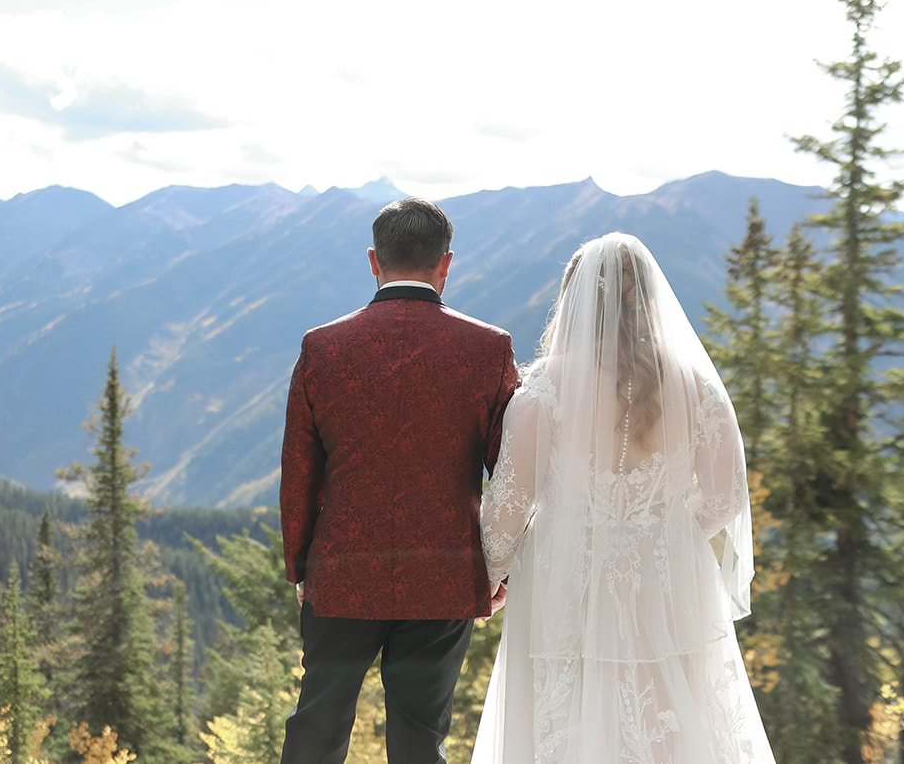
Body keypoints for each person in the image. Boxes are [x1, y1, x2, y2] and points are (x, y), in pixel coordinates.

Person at [474, 233, 775, 764]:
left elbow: (507, 512)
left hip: (563, 582)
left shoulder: (543, 389)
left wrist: (489, 577)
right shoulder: (696, 388)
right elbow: (727, 497)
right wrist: (662, 534)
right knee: (674, 718)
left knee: (567, 719)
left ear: (575, 303)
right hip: (669, 580)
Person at [280, 197, 521, 764]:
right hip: (442, 574)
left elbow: (299, 471)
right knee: (420, 738)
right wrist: (500, 566)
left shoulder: (322, 347)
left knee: (318, 723)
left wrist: (301, 565)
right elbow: (509, 472)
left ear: (373, 260)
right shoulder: (489, 349)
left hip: (340, 573)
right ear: (447, 263)